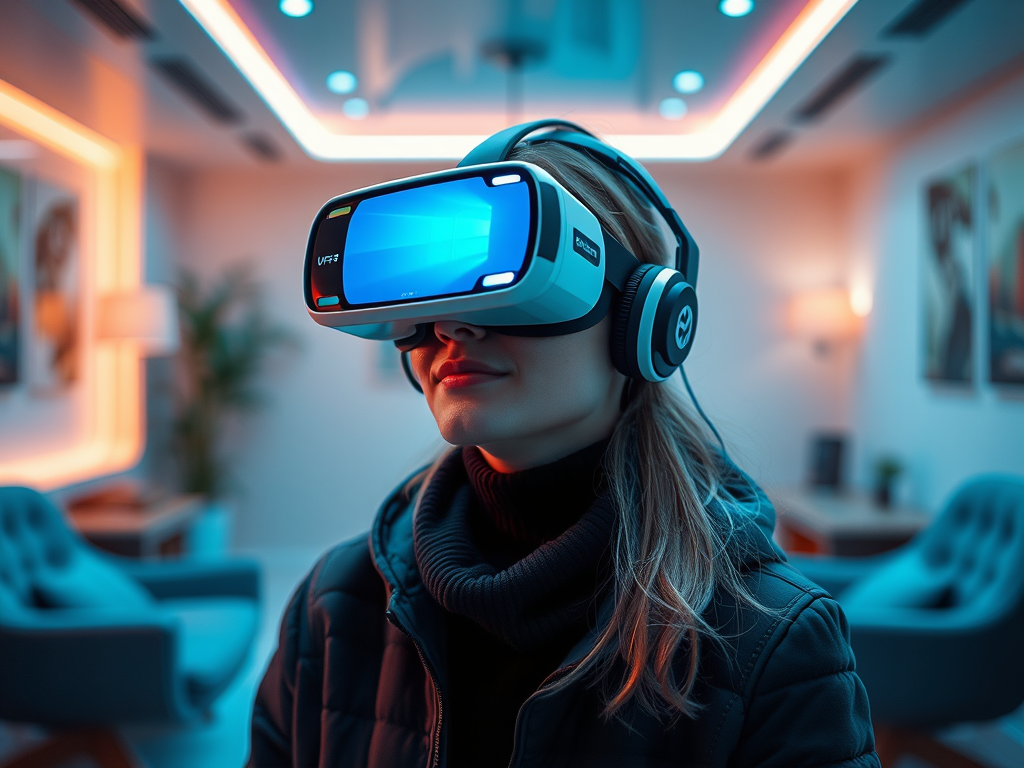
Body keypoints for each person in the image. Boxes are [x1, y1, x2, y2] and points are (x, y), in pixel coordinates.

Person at [249, 128, 879, 768]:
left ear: (644, 318)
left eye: (510, 283)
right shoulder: (334, 606)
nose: (452, 325)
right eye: (436, 293)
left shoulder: (773, 638)